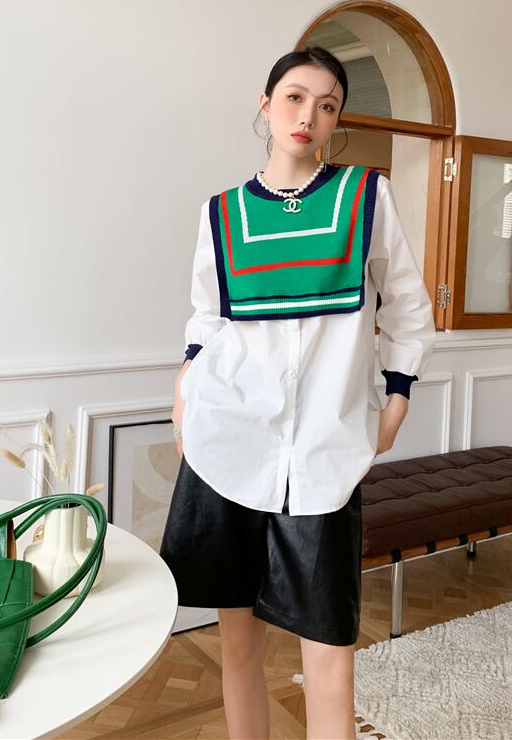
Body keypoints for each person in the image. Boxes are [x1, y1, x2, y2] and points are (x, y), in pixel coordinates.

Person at [159, 46, 437, 740]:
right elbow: (207, 318)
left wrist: (397, 401)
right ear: (266, 104)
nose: (308, 114)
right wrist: (184, 393)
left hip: (323, 456)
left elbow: (408, 306)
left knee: (330, 656)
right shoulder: (222, 213)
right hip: (226, 445)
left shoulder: (365, 197)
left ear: (337, 119)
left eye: (327, 104)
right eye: (294, 96)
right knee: (237, 648)